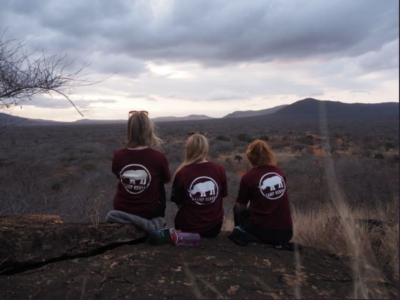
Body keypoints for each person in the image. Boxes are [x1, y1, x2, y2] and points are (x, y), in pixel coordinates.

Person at [111, 110, 171, 220]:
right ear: (149, 131)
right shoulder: (158, 157)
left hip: (122, 209)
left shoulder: (118, 155)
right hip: (149, 212)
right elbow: (167, 179)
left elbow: (117, 174)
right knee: (159, 182)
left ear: (130, 130)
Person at [234, 139, 293, 245]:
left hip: (262, 232)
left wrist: (249, 208)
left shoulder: (248, 177)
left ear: (250, 157)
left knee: (236, 209)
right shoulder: (279, 172)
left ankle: (242, 235)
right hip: (286, 232)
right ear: (269, 154)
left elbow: (241, 207)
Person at [171, 132, 228, 238]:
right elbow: (222, 196)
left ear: (188, 149)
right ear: (205, 149)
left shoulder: (182, 173)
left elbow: (179, 203)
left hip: (189, 227)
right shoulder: (219, 169)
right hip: (214, 227)